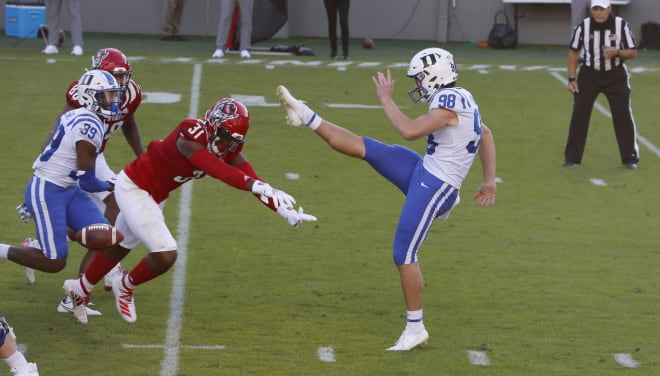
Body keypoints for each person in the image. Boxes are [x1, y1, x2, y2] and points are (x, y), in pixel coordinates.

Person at [276, 46, 497, 351]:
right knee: (366, 148)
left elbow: (409, 131)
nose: (418, 85)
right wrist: (488, 182)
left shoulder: (448, 99)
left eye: (420, 78)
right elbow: (485, 134)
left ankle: (415, 328)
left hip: (436, 185)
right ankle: (306, 114)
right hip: (426, 171)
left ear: (436, 74)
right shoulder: (463, 97)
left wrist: (386, 100)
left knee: (403, 253)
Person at [63, 98, 317, 325]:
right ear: (214, 126)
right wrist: (256, 185)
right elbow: (218, 170)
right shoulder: (191, 132)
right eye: (226, 138)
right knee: (165, 253)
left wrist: (281, 210)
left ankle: (80, 288)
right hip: (134, 187)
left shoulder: (226, 145)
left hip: (155, 194)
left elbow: (251, 176)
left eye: (233, 142)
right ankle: (124, 284)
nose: (228, 146)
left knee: (121, 246)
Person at [20, 48, 144, 316]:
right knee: (117, 202)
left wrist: (142, 158)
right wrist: (42, 173)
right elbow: (59, 129)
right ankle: (97, 272)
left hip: (94, 155)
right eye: (113, 78)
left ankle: (42, 247)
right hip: (85, 156)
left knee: (106, 211)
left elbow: (130, 123)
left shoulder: (130, 93)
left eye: (122, 78)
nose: (119, 86)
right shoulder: (84, 95)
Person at [0, 70, 122, 302]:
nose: (111, 101)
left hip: (66, 187)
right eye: (105, 95)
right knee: (55, 261)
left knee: (103, 237)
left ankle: (76, 298)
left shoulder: (83, 116)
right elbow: (88, 180)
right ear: (89, 97)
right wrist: (114, 184)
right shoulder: (89, 125)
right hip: (49, 189)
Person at [563, 0, 639, 169]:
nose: (598, 12)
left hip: (615, 75)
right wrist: (571, 78)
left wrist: (617, 52)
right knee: (579, 114)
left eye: (602, 9)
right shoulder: (583, 27)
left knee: (623, 115)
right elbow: (574, 51)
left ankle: (630, 157)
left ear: (609, 9)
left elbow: (633, 52)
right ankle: (572, 158)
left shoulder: (621, 25)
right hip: (589, 75)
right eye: (595, 9)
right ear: (591, 9)